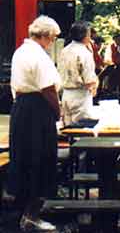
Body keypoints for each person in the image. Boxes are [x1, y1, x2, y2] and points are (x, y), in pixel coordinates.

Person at [9, 16, 61, 231]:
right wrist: (57, 112)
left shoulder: (20, 52)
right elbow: (48, 88)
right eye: (54, 37)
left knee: (23, 159)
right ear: (47, 36)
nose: (53, 41)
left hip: (21, 108)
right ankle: (31, 215)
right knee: (41, 159)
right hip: (38, 109)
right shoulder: (38, 55)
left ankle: (23, 213)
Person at [58, 21, 98, 126]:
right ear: (85, 35)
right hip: (80, 95)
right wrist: (94, 85)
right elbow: (89, 79)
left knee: (68, 128)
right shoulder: (85, 53)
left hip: (66, 94)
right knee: (81, 131)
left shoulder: (64, 50)